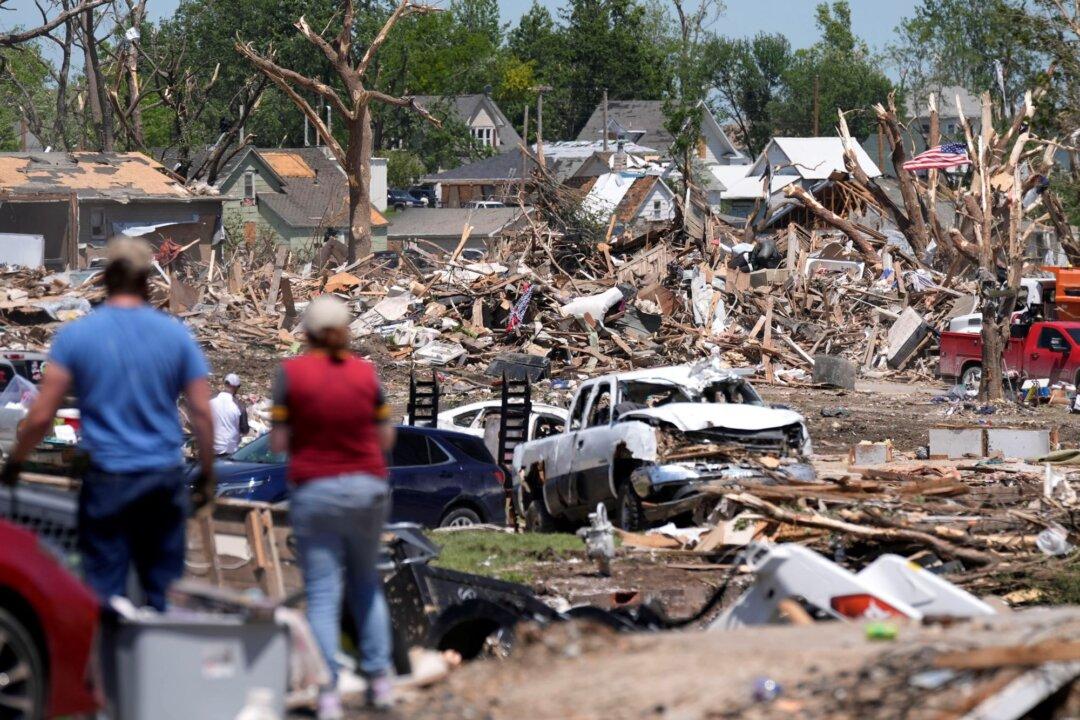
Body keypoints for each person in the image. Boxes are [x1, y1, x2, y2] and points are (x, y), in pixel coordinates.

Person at [0, 237, 216, 612]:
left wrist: (16, 462)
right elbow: (201, 412)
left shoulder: (77, 335)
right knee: (160, 591)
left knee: (103, 595)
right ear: (147, 280)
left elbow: (40, 415)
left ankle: (108, 662)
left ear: (106, 277)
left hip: (107, 479)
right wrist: (209, 472)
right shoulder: (176, 335)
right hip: (163, 476)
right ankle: (153, 658)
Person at [270, 295, 396, 717]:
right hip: (367, 488)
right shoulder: (366, 375)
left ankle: (328, 695)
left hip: (315, 490)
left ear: (305, 332)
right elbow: (386, 438)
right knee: (366, 583)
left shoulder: (290, 374)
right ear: (346, 331)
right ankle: (381, 682)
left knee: (323, 594)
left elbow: (278, 442)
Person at [210, 373, 249, 456]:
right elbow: (245, 430)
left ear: (225, 384)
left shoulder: (211, 401)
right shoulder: (239, 405)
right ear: (236, 387)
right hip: (230, 451)